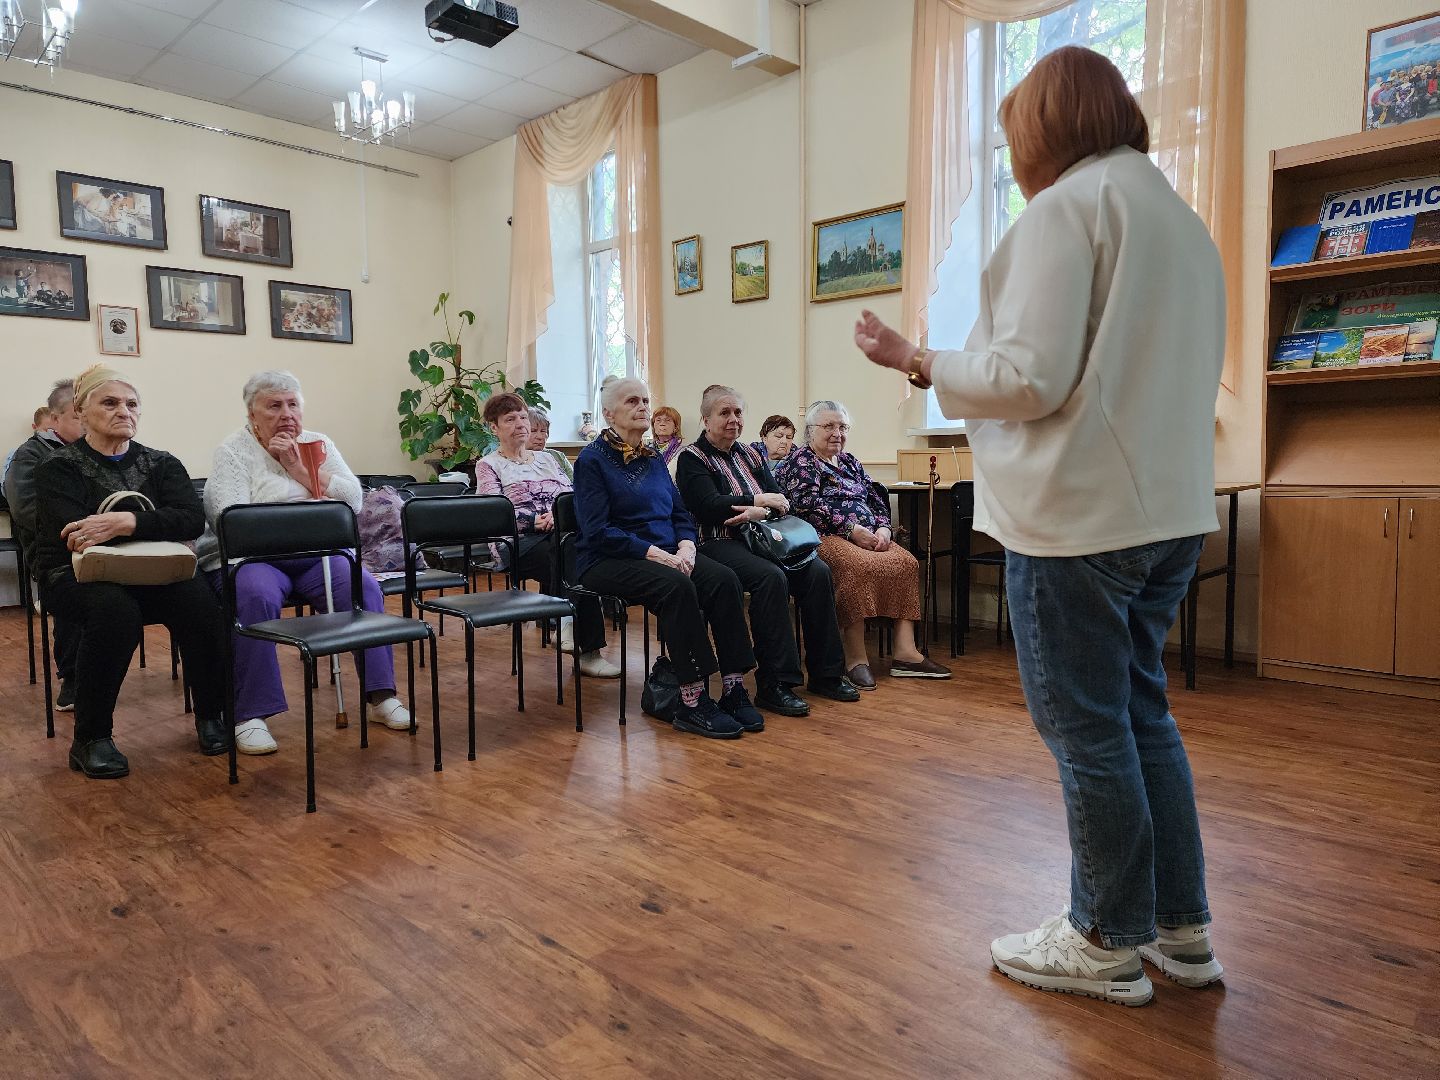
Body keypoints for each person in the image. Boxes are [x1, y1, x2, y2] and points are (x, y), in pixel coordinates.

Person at [853, 47, 1227, 1007]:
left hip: (1080, 518)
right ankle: (1181, 931)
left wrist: (922, 359)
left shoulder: (1068, 209)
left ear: (1045, 129)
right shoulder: (1182, 223)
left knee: (1087, 730)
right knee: (1144, 714)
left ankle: (1104, 937)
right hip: (1170, 513)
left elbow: (1029, 377)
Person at [196, 371, 414, 756]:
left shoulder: (319, 443)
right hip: (253, 559)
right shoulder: (233, 451)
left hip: (317, 556)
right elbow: (227, 516)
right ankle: (251, 716)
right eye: (274, 406)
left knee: (363, 586)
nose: (287, 414)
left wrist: (300, 470)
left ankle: (380, 696)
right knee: (253, 595)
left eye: (293, 404)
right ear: (252, 413)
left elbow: (354, 500)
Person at [33, 365, 229, 779]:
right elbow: (74, 534)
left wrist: (126, 523)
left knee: (200, 602)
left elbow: (191, 520)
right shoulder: (58, 468)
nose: (124, 410)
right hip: (73, 574)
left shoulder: (161, 464)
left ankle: (213, 716)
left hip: (152, 569)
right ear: (81, 412)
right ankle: (91, 738)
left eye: (132, 403)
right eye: (110, 402)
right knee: (114, 611)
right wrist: (153, 522)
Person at [573, 377, 763, 739]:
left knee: (724, 579)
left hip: (666, 552)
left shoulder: (653, 458)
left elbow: (679, 513)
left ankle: (734, 686)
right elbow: (596, 531)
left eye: (645, 399)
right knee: (676, 586)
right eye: (632, 401)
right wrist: (657, 553)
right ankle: (691, 699)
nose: (642, 406)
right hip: (606, 559)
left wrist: (688, 546)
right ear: (609, 413)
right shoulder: (591, 461)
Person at [675, 385, 859, 717]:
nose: (733, 419)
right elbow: (708, 507)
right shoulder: (692, 458)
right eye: (724, 413)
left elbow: (782, 501)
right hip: (717, 542)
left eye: (738, 413)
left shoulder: (751, 454)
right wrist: (757, 502)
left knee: (817, 572)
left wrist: (762, 510)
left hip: (761, 537)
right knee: (770, 578)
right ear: (705, 419)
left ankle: (827, 674)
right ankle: (776, 683)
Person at [775, 401, 951, 689]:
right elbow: (803, 505)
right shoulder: (801, 462)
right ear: (810, 431)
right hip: (822, 536)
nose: (837, 433)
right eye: (829, 426)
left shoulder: (849, 461)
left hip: (867, 535)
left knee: (906, 562)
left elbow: (875, 496)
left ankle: (906, 653)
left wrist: (883, 527)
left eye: (842, 427)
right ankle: (856, 658)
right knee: (856, 566)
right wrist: (850, 529)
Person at [474, 392, 620, 678]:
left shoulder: (549, 459)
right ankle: (582, 644)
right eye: (510, 419)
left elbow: (575, 496)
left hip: (560, 536)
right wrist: (532, 521)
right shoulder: (488, 464)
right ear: (494, 427)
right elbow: (491, 513)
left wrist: (559, 515)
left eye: (523, 417)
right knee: (574, 552)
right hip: (517, 543)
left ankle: (564, 623)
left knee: (575, 549)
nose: (520, 424)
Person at [6, 381, 86, 710]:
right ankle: (73, 677)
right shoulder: (29, 456)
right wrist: (82, 527)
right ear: (55, 419)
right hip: (54, 552)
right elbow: (26, 510)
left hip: (100, 545)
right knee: (73, 585)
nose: (87, 423)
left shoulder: (96, 452)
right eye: (78, 416)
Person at [2, 405, 54, 497]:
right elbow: (8, 490)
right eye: (47, 430)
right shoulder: (19, 454)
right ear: (34, 427)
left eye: (55, 431)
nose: (52, 435)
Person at [525, 405, 574, 481]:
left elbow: (574, 483)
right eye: (533, 431)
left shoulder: (558, 456)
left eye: (543, 431)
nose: (540, 436)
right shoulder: (514, 459)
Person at [649, 406, 684, 474]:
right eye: (658, 420)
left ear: (676, 427)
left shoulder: (683, 452)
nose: (662, 424)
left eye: (667, 420)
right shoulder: (646, 450)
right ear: (653, 426)